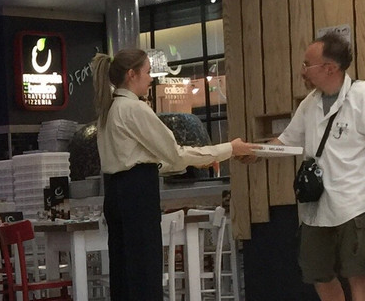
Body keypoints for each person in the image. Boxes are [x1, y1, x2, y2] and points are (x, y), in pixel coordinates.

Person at [92, 49, 255, 301]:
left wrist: (200, 159)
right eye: (148, 72)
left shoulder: (109, 110)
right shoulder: (134, 109)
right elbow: (174, 154)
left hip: (115, 194)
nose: (151, 78)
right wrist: (229, 149)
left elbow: (143, 160)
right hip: (137, 195)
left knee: (124, 273)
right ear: (132, 74)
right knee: (145, 273)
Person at [268, 33, 365, 301]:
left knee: (358, 275)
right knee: (318, 274)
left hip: (355, 205)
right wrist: (255, 152)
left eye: (307, 64)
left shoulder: (360, 96)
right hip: (316, 207)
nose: (303, 71)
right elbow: (285, 140)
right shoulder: (309, 103)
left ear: (330, 68)